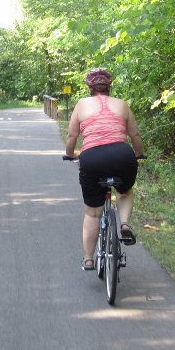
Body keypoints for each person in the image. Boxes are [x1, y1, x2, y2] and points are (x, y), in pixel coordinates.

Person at [65, 68, 144, 270]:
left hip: (92, 157)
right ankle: (124, 224)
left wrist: (71, 154)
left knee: (92, 213)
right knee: (124, 192)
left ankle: (89, 259)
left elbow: (72, 137)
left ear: (89, 87)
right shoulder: (122, 104)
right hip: (122, 154)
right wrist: (138, 154)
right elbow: (134, 135)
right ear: (110, 86)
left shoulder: (82, 104)